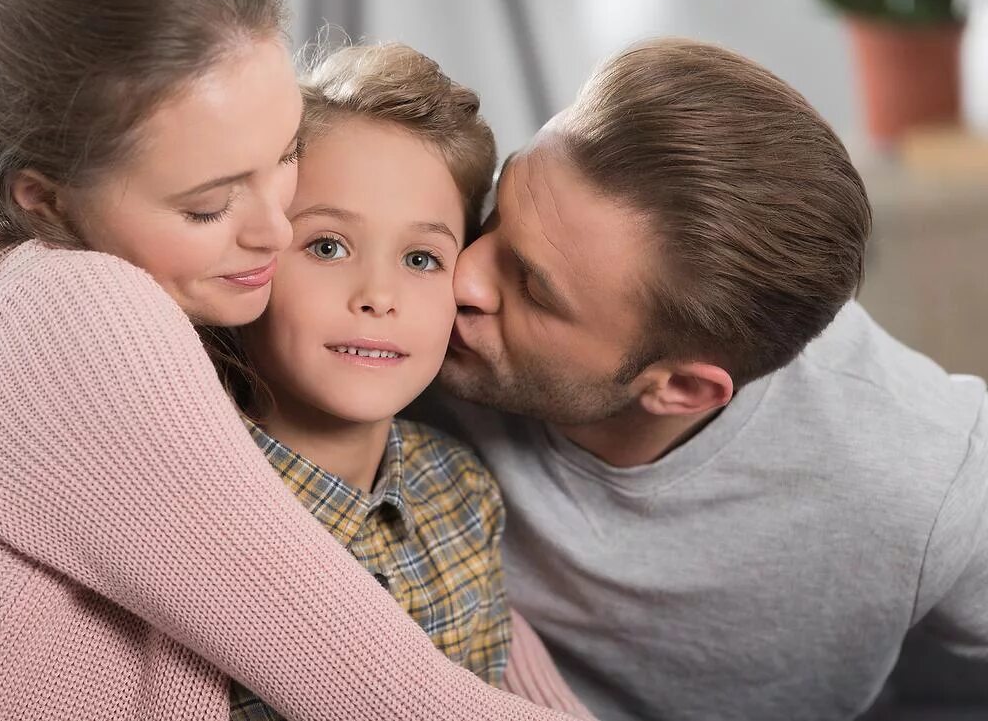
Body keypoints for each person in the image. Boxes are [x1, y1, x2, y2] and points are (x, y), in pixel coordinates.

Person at [0, 0, 587, 719]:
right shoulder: (69, 314)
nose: (275, 229)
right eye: (209, 204)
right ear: (46, 197)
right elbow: (392, 697)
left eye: (283, 156)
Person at [414, 38, 988, 721]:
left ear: (680, 389)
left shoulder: (925, 473)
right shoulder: (387, 309)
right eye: (502, 211)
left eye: (533, 291)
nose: (463, 275)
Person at [212, 42, 524, 721]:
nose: (379, 295)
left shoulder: (464, 493)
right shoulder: (192, 500)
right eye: (327, 246)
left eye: (420, 257)